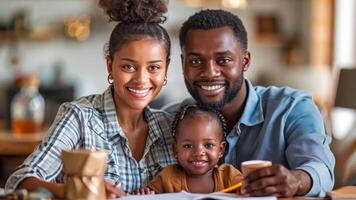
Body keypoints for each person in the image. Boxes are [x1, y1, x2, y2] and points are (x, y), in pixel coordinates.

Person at [5, 0, 176, 198]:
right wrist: (81, 191)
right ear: (110, 66)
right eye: (128, 67)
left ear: (166, 69)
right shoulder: (79, 117)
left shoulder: (170, 126)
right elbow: (19, 180)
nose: (141, 79)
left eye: (154, 67)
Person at [165, 9, 335, 197]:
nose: (210, 72)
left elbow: (321, 170)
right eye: (196, 61)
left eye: (224, 60)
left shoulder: (292, 108)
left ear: (245, 61)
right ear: (183, 64)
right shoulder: (170, 119)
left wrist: (296, 180)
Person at [136, 105, 243, 194]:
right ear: (175, 150)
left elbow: (250, 192)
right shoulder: (167, 177)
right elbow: (150, 195)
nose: (198, 153)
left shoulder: (230, 176)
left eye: (208, 145)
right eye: (188, 146)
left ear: (221, 149)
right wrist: (144, 194)